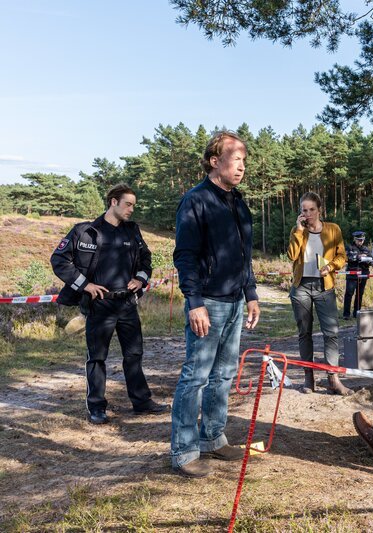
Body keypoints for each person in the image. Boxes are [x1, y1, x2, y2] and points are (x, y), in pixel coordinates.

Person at [171, 131, 261, 478]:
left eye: (243, 161)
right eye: (235, 159)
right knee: (196, 376)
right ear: (214, 161)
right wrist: (194, 302)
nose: (241, 167)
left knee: (224, 374)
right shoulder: (196, 200)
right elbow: (186, 255)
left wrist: (250, 293)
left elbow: (244, 254)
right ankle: (184, 451)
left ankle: (213, 437)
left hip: (235, 301)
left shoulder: (238, 202)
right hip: (207, 301)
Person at [51, 183, 167, 424]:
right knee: (97, 357)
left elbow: (146, 259)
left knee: (134, 354)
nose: (131, 209)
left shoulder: (132, 231)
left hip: (127, 304)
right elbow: (59, 259)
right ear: (113, 202)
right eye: (128, 204)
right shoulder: (85, 231)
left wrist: (140, 279)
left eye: (133, 205)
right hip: (99, 305)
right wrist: (85, 285)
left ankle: (142, 402)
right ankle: (96, 407)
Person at [288, 191, 353, 396]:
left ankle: (333, 379)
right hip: (301, 287)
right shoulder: (297, 231)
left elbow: (342, 256)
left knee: (331, 333)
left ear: (319, 209)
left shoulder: (333, 229)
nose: (308, 214)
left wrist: (331, 266)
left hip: (324, 286)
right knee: (304, 333)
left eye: (311, 210)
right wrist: (299, 231)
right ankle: (309, 379)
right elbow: (292, 255)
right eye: (304, 210)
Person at [342, 230, 371, 319]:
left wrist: (367, 259)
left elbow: (370, 260)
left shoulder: (366, 249)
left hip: (363, 274)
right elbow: (348, 258)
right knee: (349, 293)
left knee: (360, 294)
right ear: (355, 239)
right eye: (359, 240)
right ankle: (346, 314)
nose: (360, 241)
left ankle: (357, 313)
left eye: (362, 240)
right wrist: (358, 257)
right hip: (352, 274)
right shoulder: (349, 247)